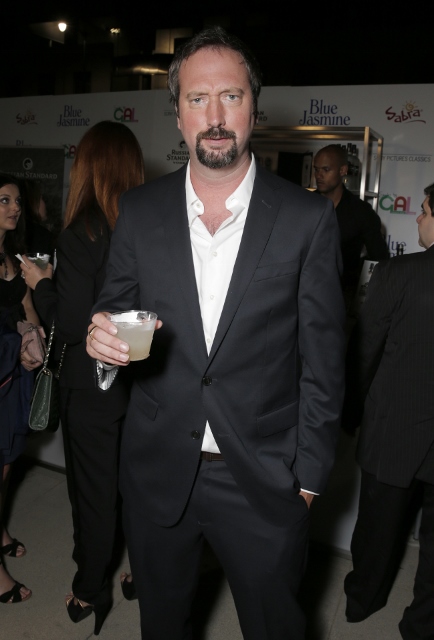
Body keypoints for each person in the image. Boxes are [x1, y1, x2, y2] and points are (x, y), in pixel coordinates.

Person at [86, 27, 345, 640]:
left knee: (275, 626)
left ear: (254, 106)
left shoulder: (307, 219)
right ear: (177, 113)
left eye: (230, 95)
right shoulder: (140, 211)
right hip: (157, 474)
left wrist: (307, 479)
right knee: (163, 626)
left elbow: (325, 362)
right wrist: (103, 347)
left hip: (263, 477)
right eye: (198, 99)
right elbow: (115, 316)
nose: (216, 115)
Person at [20, 122, 145, 634]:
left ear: (87, 167)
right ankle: (143, 570)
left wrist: (44, 285)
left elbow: (71, 323)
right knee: (135, 484)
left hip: (92, 388)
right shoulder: (148, 228)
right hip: (144, 380)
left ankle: (91, 590)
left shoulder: (81, 233)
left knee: (93, 493)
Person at [343, 183, 434, 639]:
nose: (418, 219)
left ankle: (363, 601)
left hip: (394, 427)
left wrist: (350, 413)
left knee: (377, 527)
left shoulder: (397, 273)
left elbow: (364, 354)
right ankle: (422, 625)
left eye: (423, 211)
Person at [0, 173, 42, 604]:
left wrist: (37, 341)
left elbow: (28, 308)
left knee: (9, 464)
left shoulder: (13, 257)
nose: (14, 207)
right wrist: (18, 342)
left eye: (15, 201)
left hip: (14, 380)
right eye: (4, 200)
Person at [313, 144, 389, 306]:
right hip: (303, 296)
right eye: (316, 169)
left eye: (326, 170)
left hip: (342, 299)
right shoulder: (303, 205)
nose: (319, 175)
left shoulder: (361, 212)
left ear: (343, 170)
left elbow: (380, 259)